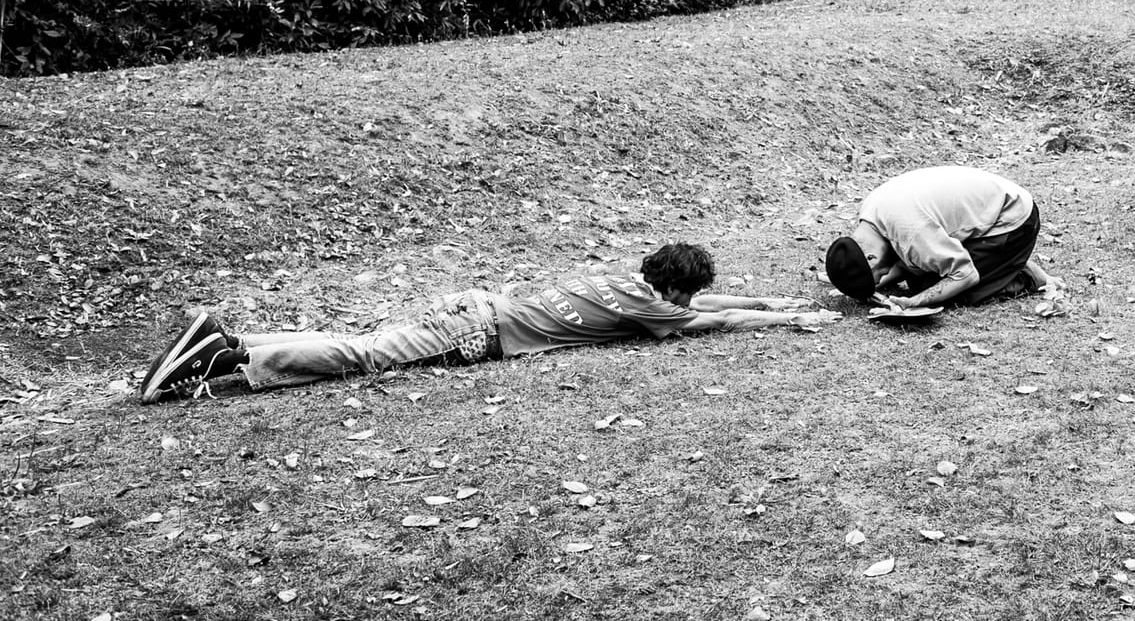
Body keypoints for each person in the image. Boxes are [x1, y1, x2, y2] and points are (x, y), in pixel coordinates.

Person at [137, 243, 837, 402]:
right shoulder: (654, 308)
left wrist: (771, 304)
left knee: (364, 337)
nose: (688, 304)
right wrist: (780, 319)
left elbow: (700, 309)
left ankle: (235, 338)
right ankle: (226, 358)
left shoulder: (630, 284)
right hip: (477, 332)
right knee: (365, 354)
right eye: (690, 294)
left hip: (472, 304)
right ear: (674, 288)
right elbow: (706, 323)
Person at [823, 166, 1057, 310]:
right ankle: (1002, 264)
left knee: (940, 289)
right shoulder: (870, 216)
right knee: (923, 272)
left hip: (1014, 220)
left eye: (878, 277)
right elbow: (900, 259)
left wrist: (914, 302)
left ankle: (1024, 274)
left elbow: (963, 275)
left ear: (871, 258)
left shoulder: (911, 231)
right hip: (987, 208)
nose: (883, 278)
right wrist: (866, 287)